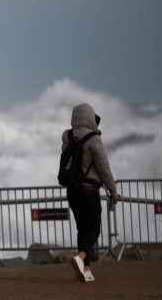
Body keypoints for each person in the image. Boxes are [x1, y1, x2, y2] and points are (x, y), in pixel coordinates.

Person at [61, 103, 120, 283]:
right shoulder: (94, 139)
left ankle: (85, 269)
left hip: (72, 191)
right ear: (89, 117)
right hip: (88, 191)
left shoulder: (67, 137)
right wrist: (113, 189)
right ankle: (80, 257)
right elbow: (103, 167)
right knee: (94, 228)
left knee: (82, 229)